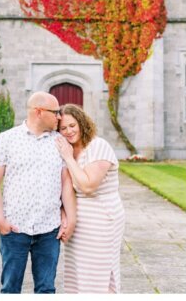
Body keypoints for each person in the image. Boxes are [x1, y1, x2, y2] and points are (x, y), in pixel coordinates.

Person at [0, 91, 77, 293]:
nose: (60, 117)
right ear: (38, 111)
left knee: (46, 289)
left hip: (49, 229)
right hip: (15, 228)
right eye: (55, 112)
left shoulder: (60, 142)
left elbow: (66, 184)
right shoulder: (7, 139)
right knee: (10, 289)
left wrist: (70, 219)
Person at [55, 104, 125, 293]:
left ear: (82, 123)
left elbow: (87, 186)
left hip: (102, 218)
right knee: (77, 272)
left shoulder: (98, 146)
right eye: (63, 128)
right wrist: (64, 215)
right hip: (77, 222)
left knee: (100, 273)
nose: (68, 131)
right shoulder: (66, 150)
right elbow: (63, 188)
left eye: (72, 125)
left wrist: (68, 158)